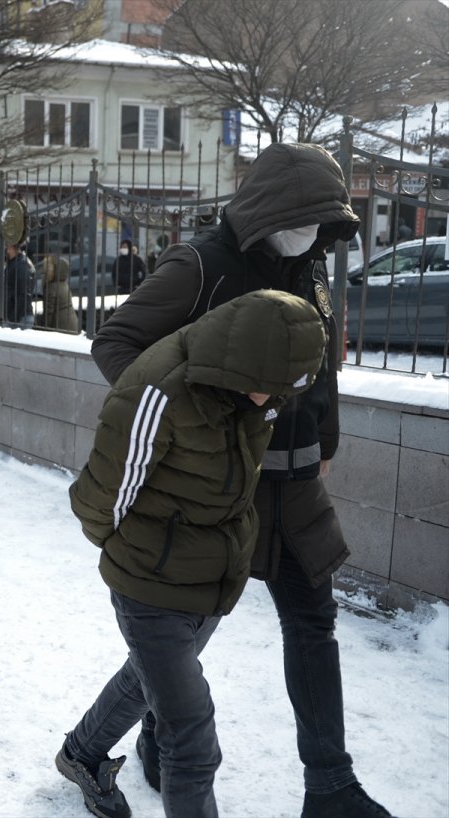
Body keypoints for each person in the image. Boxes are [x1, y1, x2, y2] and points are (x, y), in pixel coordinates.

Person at [90, 142, 392, 818]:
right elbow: (116, 345)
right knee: (183, 638)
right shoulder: (201, 265)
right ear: (265, 208)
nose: (311, 233)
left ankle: (331, 785)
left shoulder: (309, 265)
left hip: (297, 483)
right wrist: (197, 426)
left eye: (324, 221)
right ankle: (146, 741)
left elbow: (322, 359)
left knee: (314, 622)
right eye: (301, 218)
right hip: (220, 490)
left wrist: (327, 437)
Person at [56, 290, 326, 818]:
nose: (271, 402)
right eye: (267, 389)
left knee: (144, 677)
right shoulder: (158, 392)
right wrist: (136, 554)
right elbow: (97, 500)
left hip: (214, 573)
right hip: (147, 581)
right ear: (241, 361)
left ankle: (80, 754)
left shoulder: (256, 384)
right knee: (192, 740)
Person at [42, 256, 79, 332]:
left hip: (60, 327)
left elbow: (48, 313)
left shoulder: (52, 287)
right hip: (72, 325)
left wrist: (44, 329)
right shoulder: (64, 285)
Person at [2, 241, 35, 327]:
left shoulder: (22, 265)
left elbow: (23, 294)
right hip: (14, 315)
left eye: (7, 246)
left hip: (19, 318)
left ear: (11, 248)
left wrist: (13, 318)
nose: (6, 249)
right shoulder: (14, 263)